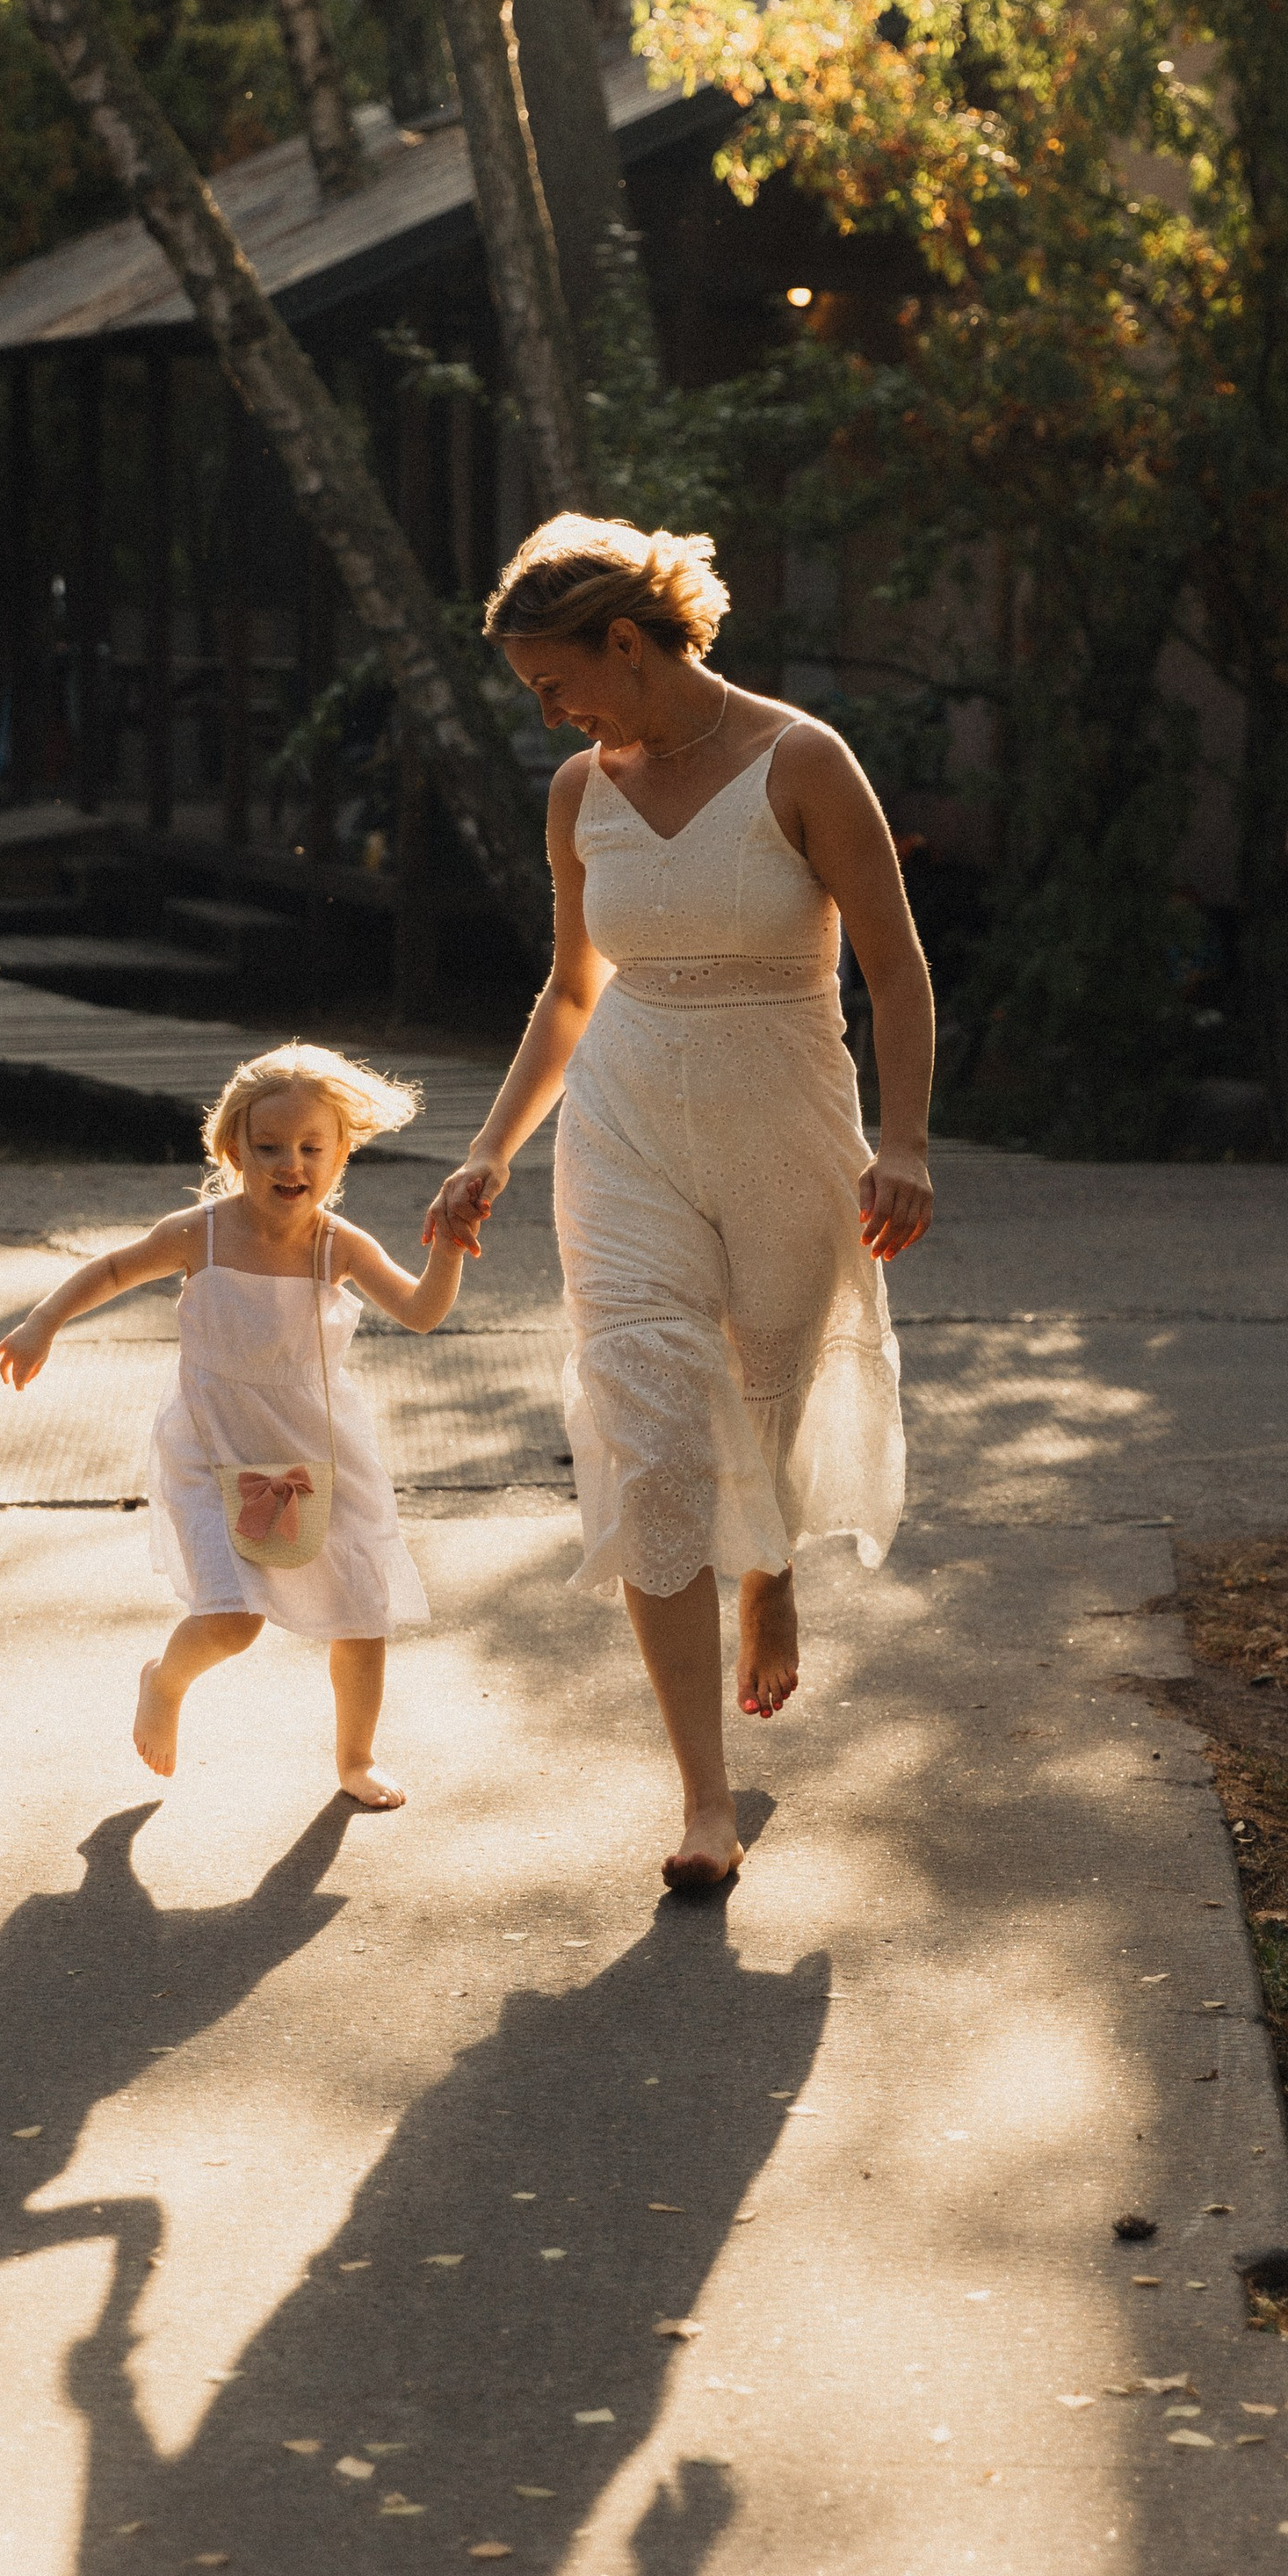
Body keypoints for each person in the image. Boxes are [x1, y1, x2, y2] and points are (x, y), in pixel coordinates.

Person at [424, 516, 934, 1892]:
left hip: (786, 1119)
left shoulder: (803, 762)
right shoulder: (579, 792)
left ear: (630, 644)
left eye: (556, 684)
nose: (551, 716)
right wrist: (490, 1150)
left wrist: (907, 1141)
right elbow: (571, 991)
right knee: (651, 1435)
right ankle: (704, 1803)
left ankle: (770, 1570)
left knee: (763, 1402)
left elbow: (892, 965)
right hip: (628, 1126)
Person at [0, 1043, 463, 1812]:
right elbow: (112, 1268)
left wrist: (448, 1247)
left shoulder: (337, 1245)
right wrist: (42, 1322)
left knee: (361, 1613)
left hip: (317, 1458)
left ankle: (356, 1757)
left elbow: (421, 1311)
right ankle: (165, 1681)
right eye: (269, 1146)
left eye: (312, 1147)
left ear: (342, 1153)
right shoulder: (200, 1234)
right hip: (214, 1455)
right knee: (233, 1619)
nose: (291, 1164)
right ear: (231, 1148)